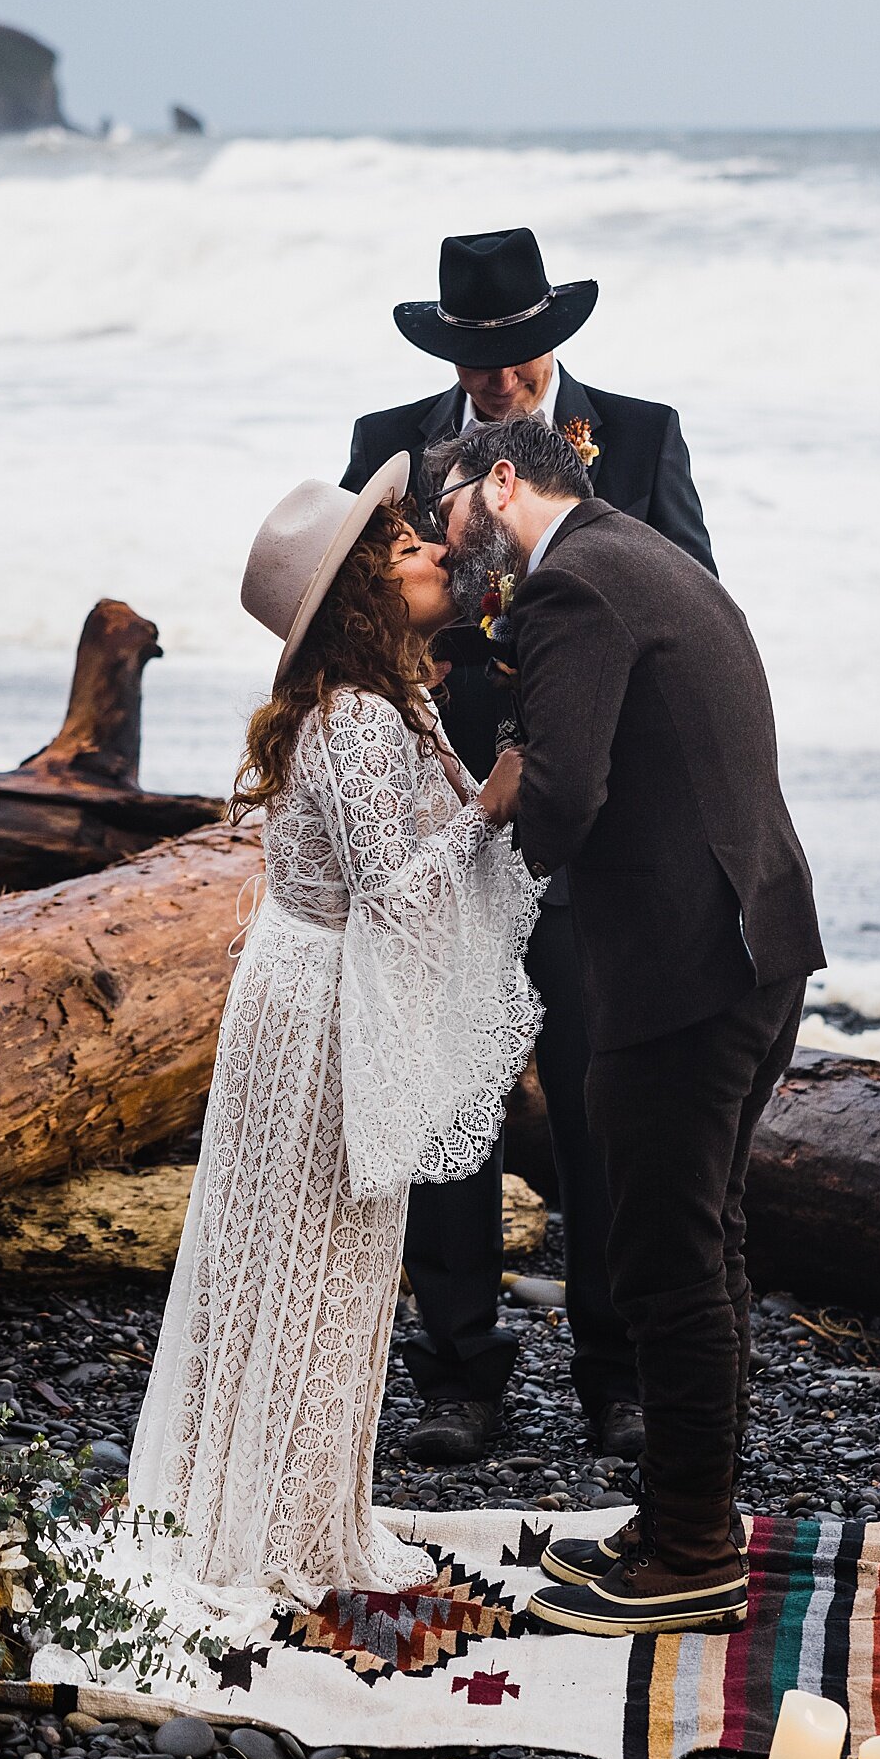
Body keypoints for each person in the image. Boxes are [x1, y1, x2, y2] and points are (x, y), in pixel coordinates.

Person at [123, 457, 541, 1641]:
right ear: (363, 594)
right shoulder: (353, 719)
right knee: (304, 1251)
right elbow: (393, 890)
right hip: (312, 1005)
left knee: (339, 1256)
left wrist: (477, 789)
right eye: (405, 549)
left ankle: (305, 1504)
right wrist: (489, 806)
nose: (430, 554)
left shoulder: (392, 703)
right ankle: (262, 1519)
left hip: (318, 988)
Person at [427, 415, 825, 1638]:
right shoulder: (644, 556)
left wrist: (494, 795)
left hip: (679, 969)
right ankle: (680, 1510)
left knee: (663, 1258)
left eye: (450, 521)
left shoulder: (572, 592)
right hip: (758, 941)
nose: (452, 559)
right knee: (707, 1239)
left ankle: (694, 1546)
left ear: (501, 480)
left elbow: (563, 795)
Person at [342, 225, 715, 1468]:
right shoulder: (386, 443)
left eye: (517, 356)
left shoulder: (645, 437)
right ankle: (458, 1372)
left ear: (554, 340)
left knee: (603, 1089)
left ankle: (616, 1373)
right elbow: (353, 620)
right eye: (474, 359)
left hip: (588, 824)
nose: (497, 381)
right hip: (442, 818)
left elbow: (692, 608)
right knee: (452, 1090)